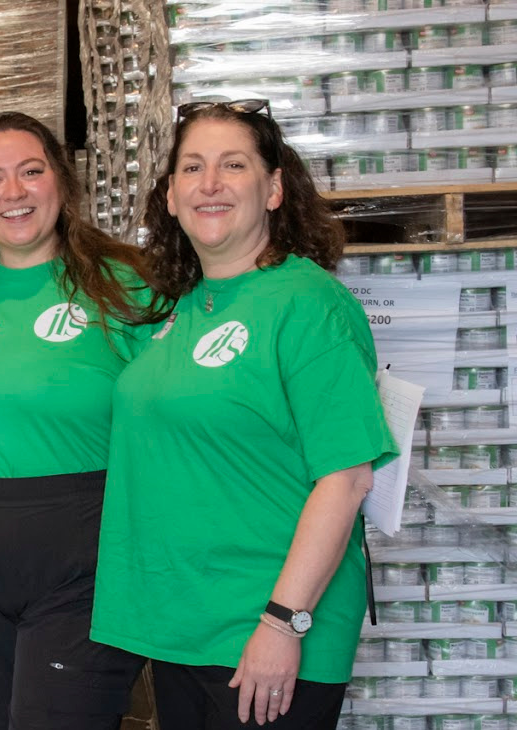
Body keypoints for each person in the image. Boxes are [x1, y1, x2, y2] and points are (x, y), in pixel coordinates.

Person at [91, 99, 397, 729]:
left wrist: (283, 623)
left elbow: (346, 479)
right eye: (192, 168)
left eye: (233, 165)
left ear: (275, 188)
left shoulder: (308, 304)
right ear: (170, 197)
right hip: (183, 628)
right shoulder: (178, 310)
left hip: (265, 626)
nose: (210, 184)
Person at [0, 111, 160, 729]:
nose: (13, 192)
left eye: (30, 171)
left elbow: (190, 404)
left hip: (86, 560)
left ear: (62, 184)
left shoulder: (121, 283)